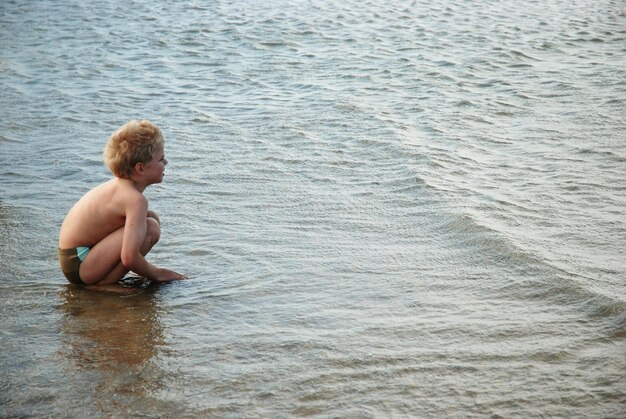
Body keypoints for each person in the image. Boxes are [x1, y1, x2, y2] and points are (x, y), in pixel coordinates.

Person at [58, 119, 186, 285]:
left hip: (74, 259)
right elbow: (129, 258)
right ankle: (103, 286)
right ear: (140, 168)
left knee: (150, 218)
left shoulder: (120, 187)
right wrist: (159, 274)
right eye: (161, 159)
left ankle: (104, 282)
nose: (166, 163)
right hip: (81, 263)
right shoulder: (135, 200)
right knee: (151, 228)